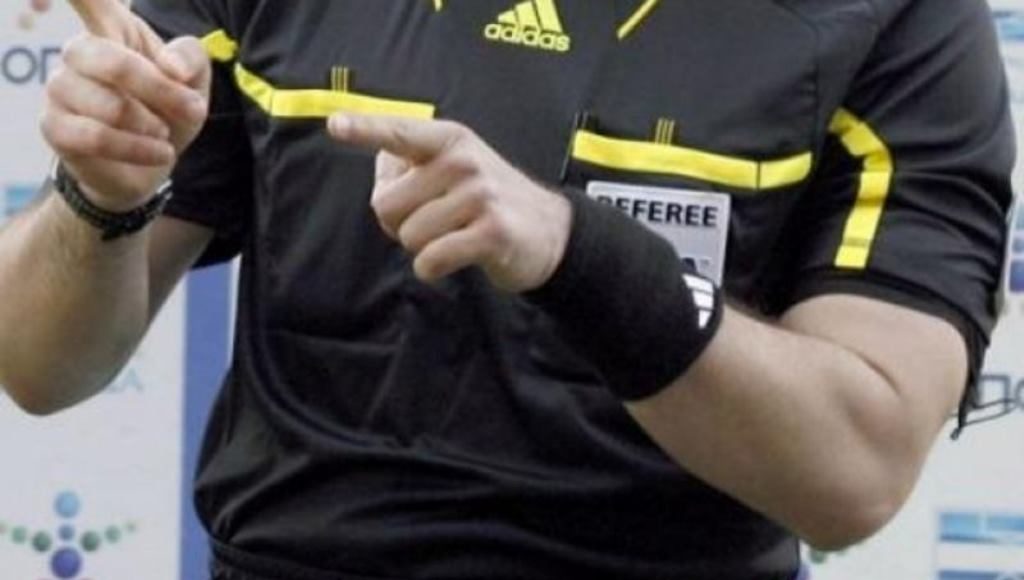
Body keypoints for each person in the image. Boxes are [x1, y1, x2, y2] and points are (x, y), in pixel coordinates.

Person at [0, 0, 1014, 578]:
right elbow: (36, 363)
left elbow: (853, 473)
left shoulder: (903, 19)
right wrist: (100, 196)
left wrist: (577, 254)